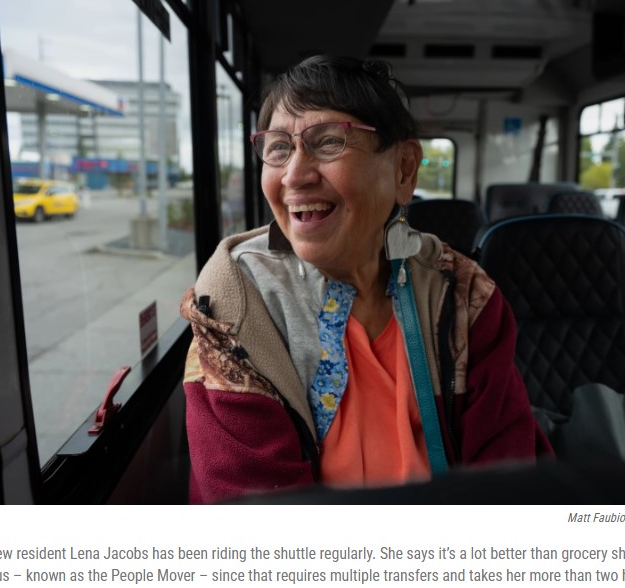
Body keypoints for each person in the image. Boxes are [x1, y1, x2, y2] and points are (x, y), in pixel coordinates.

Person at [180, 55, 552, 503]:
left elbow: (507, 483)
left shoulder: (463, 298)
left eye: (329, 141)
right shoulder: (235, 311)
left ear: (404, 170)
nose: (294, 175)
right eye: (279, 147)